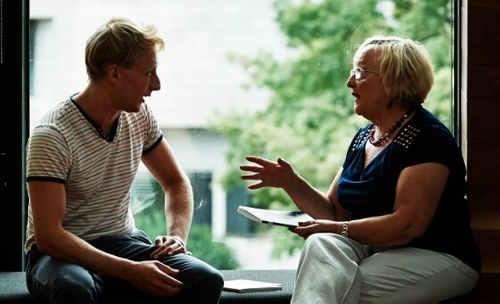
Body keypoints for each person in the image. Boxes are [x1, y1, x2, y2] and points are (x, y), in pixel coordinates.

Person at [240, 35, 481, 303]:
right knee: (321, 244)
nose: (349, 82)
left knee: (337, 285)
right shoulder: (363, 137)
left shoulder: (428, 138)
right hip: (377, 250)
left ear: (394, 80)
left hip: (437, 255)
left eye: (360, 72)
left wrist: (336, 228)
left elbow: (407, 226)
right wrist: (291, 182)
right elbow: (334, 211)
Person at [25, 17, 223, 304]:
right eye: (149, 73)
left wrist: (177, 237)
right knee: (75, 287)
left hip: (122, 241)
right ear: (115, 73)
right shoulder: (53, 135)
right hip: (59, 255)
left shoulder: (139, 116)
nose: (156, 85)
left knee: (206, 279)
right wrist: (131, 271)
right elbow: (50, 237)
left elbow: (175, 181)